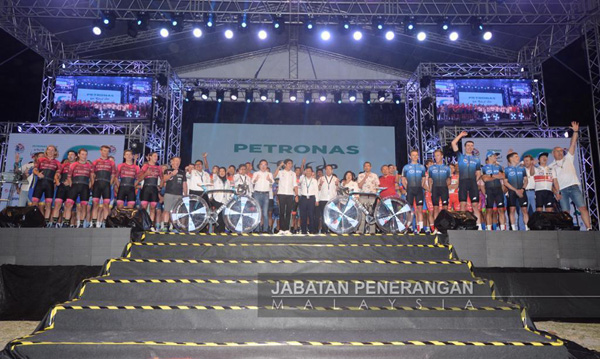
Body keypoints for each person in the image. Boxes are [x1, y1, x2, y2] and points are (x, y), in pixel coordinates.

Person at [550, 121, 592, 230]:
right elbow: (550, 183)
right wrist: (556, 193)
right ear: (553, 153)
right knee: (565, 212)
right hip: (562, 190)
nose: (560, 152)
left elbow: (573, 144)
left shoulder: (568, 158)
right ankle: (568, 230)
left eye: (560, 151)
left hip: (574, 187)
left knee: (582, 208)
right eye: (557, 151)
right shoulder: (551, 166)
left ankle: (589, 228)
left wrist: (575, 131)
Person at [451, 131, 483, 229]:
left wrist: (474, 180)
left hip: (472, 183)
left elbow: (478, 173)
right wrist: (460, 135)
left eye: (471, 146)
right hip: (463, 182)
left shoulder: (476, 159)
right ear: (465, 147)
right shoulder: (461, 156)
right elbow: (453, 143)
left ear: (473, 148)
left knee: (475, 206)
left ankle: (479, 226)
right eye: (468, 145)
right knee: (463, 205)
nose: (470, 147)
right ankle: (462, 225)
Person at [63, 149, 93, 228]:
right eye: (82, 154)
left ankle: (82, 223)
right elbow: (69, 177)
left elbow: (92, 178)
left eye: (86, 154)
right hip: (75, 186)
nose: (84, 156)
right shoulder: (73, 164)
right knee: (69, 204)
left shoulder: (89, 166)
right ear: (79, 155)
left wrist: (89, 186)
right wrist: (71, 185)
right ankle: (66, 223)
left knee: (84, 206)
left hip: (85, 187)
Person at [31, 145, 61, 224]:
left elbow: (57, 174)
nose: (50, 151)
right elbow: (34, 170)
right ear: (46, 151)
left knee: (48, 204)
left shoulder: (58, 163)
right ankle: (34, 220)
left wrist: (57, 180)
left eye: (52, 150)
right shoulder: (40, 159)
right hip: (40, 183)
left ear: (55, 152)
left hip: (50, 184)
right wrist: (38, 173)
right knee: (34, 203)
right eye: (49, 150)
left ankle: (46, 223)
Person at [90, 145, 116, 228]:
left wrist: (110, 183)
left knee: (106, 205)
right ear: (101, 151)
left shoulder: (111, 163)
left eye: (107, 151)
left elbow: (113, 175)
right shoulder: (95, 161)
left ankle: (105, 222)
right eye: (104, 151)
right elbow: (92, 174)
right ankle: (93, 222)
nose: (106, 153)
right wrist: (93, 183)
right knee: (95, 204)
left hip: (106, 185)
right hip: (97, 184)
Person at [401, 150, 426, 233]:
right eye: (413, 155)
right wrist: (407, 188)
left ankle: (421, 228)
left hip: (419, 190)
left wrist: (421, 186)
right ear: (410, 156)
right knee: (410, 209)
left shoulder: (422, 167)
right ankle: (410, 227)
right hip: (410, 190)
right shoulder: (406, 167)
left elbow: (423, 178)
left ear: (418, 156)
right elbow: (403, 179)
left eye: (416, 155)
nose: (415, 157)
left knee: (419, 209)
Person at [504, 151, 530, 231]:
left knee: (524, 210)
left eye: (518, 156)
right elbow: (505, 182)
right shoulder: (506, 170)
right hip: (512, 192)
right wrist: (516, 190)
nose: (518, 158)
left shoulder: (522, 169)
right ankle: (513, 228)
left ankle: (527, 227)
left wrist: (522, 189)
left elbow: (526, 180)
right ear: (511, 159)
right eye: (516, 156)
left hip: (522, 191)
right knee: (512, 210)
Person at [481, 151, 506, 230]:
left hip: (498, 190)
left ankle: (502, 228)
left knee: (501, 209)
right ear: (489, 157)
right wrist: (496, 176)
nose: (496, 157)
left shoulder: (499, 167)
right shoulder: (484, 168)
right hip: (489, 190)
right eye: (494, 156)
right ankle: (489, 228)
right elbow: (485, 179)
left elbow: (503, 176)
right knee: (489, 210)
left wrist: (491, 176)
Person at [51, 150, 77, 226]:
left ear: (76, 156)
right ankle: (54, 223)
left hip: (72, 188)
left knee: (68, 206)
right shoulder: (63, 165)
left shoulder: (78, 165)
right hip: (62, 187)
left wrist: (70, 182)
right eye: (69, 155)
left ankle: (65, 223)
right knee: (57, 205)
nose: (70, 156)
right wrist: (57, 181)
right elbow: (57, 174)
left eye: (72, 154)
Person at [161, 157, 187, 232]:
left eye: (179, 161)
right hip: (169, 193)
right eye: (176, 161)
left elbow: (184, 184)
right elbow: (165, 179)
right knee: (167, 210)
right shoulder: (167, 170)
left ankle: (175, 226)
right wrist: (172, 174)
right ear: (172, 162)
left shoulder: (182, 172)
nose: (177, 163)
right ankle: (165, 226)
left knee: (176, 211)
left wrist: (185, 195)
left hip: (178, 194)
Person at [428, 149, 452, 225]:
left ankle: (445, 225)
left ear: (442, 156)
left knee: (445, 208)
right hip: (435, 189)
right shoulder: (431, 168)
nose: (436, 157)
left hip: (444, 189)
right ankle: (436, 226)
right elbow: (430, 180)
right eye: (435, 156)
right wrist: (431, 189)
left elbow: (449, 180)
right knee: (435, 208)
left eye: (438, 155)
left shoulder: (447, 168)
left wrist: (445, 186)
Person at [274, 159, 298, 235]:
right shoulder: (281, 172)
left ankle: (287, 229)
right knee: (281, 211)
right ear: (285, 164)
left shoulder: (293, 174)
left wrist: (296, 195)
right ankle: (281, 229)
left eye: (291, 163)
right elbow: (274, 176)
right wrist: (279, 167)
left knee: (288, 212)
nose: (290, 165)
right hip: (281, 194)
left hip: (290, 194)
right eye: (289, 163)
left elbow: (295, 185)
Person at [138, 152, 161, 225]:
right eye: (154, 156)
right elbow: (139, 178)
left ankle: (150, 225)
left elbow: (162, 178)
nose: (156, 158)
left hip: (154, 189)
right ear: (150, 157)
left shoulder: (158, 167)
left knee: (153, 208)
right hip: (146, 188)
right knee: (144, 207)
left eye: (157, 156)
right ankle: (142, 224)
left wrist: (160, 186)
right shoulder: (145, 166)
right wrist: (146, 174)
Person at [357, 161, 380, 234]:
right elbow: (359, 186)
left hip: (372, 196)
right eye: (365, 166)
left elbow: (377, 186)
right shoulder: (360, 175)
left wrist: (376, 194)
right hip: (363, 195)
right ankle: (361, 230)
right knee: (362, 213)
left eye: (368, 166)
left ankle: (372, 230)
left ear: (371, 167)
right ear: (363, 167)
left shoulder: (374, 175)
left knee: (372, 213)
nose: (367, 167)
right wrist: (365, 177)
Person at [252, 160, 274, 233]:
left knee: (265, 213)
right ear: (259, 166)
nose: (263, 166)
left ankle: (265, 229)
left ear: (267, 166)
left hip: (266, 194)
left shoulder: (269, 174)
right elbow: (252, 182)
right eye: (262, 164)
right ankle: (256, 229)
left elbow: (272, 182)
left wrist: (269, 179)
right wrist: (256, 179)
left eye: (265, 165)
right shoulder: (256, 173)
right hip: (257, 194)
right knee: (257, 212)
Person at [317, 165, 339, 233]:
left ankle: (332, 229)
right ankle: (324, 230)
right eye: (327, 169)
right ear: (325, 170)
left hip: (332, 199)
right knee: (324, 215)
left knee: (332, 215)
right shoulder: (321, 178)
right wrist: (320, 184)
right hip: (323, 199)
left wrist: (337, 185)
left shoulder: (336, 179)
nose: (328, 170)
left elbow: (338, 190)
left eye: (330, 169)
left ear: (332, 170)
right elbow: (318, 189)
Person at [298, 166, 319, 234]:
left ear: (312, 172)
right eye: (306, 171)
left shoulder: (314, 181)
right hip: (303, 198)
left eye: (309, 171)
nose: (308, 172)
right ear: (305, 172)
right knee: (303, 215)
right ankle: (303, 230)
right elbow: (299, 182)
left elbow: (316, 191)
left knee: (311, 215)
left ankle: (311, 230)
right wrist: (302, 174)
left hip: (311, 198)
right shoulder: (302, 179)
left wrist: (317, 200)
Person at [211, 167, 231, 233]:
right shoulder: (216, 179)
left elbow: (229, 191)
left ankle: (222, 233)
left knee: (223, 218)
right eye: (220, 171)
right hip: (217, 200)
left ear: (225, 173)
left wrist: (229, 199)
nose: (222, 172)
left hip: (225, 201)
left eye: (223, 171)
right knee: (218, 217)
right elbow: (214, 176)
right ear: (218, 172)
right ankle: (216, 233)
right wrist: (214, 172)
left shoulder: (228, 181)